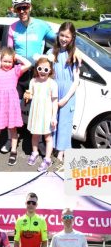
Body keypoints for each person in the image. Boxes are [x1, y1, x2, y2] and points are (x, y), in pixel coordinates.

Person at [4, 0, 56, 153]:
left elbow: (59, 42)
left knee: (40, 107)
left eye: (24, 7)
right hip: (19, 72)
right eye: (18, 8)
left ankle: (39, 141)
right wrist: (18, 58)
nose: (22, 11)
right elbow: (9, 52)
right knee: (11, 106)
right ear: (14, 10)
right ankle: (10, 138)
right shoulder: (13, 27)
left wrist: (48, 56)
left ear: (30, 7)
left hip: (37, 73)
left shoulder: (41, 25)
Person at [0, 47, 32, 166]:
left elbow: (29, 64)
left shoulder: (15, 71)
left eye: (10, 62)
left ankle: (13, 151)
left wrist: (17, 57)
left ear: (13, 62)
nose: (7, 64)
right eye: (5, 61)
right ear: (0, 60)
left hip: (11, 104)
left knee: (12, 128)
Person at [49, 22, 80, 170]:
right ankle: (54, 147)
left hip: (67, 94)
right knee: (54, 120)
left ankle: (61, 153)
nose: (63, 39)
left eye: (67, 36)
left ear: (72, 37)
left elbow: (76, 81)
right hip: (55, 92)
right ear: (58, 35)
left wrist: (66, 98)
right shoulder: (52, 52)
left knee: (65, 123)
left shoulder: (74, 54)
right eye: (61, 35)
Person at [25, 57, 58, 172]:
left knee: (48, 137)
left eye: (46, 69)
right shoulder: (33, 81)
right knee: (35, 135)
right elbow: (31, 95)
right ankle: (35, 152)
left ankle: (47, 159)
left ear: (50, 70)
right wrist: (27, 96)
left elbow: (54, 101)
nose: (42, 71)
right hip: (35, 113)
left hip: (47, 114)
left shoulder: (52, 83)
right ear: (36, 69)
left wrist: (54, 117)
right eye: (40, 68)